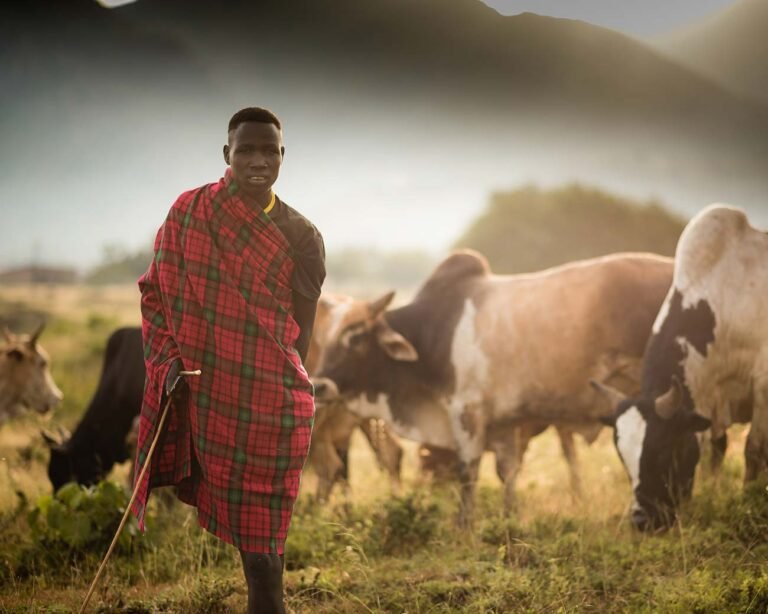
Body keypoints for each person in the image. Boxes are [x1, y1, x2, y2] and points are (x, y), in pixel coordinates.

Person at [131, 107, 325, 613]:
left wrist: (270, 381)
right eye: (248, 150)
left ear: (282, 156)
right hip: (209, 393)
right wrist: (169, 359)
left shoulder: (303, 236)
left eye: (269, 150)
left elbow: (300, 335)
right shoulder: (190, 214)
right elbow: (155, 294)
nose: (259, 160)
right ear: (227, 155)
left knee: (265, 527)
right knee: (258, 542)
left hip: (273, 400)